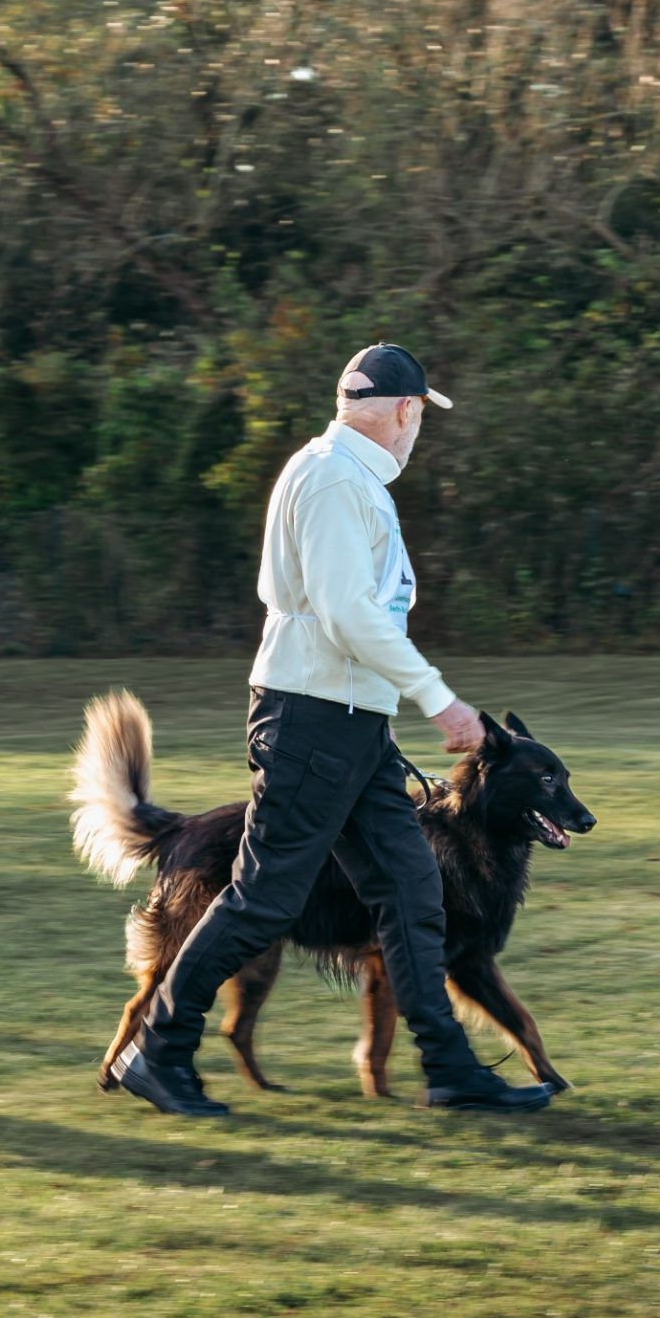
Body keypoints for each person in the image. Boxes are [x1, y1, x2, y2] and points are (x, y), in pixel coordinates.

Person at [115, 342, 553, 1117]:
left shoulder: (348, 479)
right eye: (420, 416)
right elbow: (350, 613)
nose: (419, 431)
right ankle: (161, 1051)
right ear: (405, 410)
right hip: (312, 719)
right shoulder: (330, 478)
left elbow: (353, 617)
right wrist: (438, 699)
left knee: (413, 888)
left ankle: (451, 1070)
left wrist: (381, 713)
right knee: (263, 895)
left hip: (349, 724)